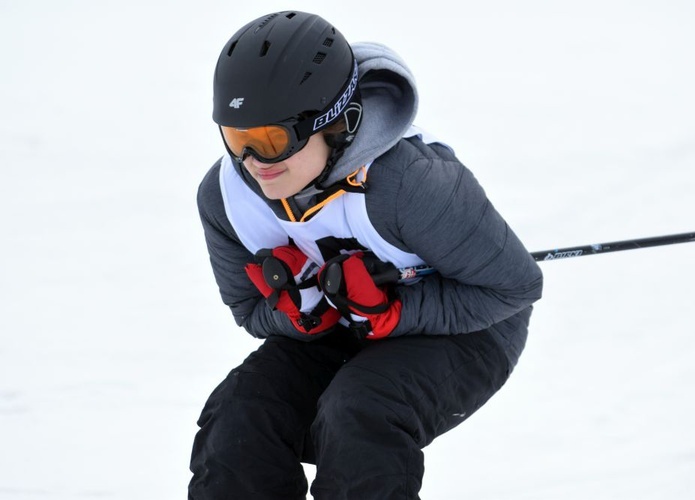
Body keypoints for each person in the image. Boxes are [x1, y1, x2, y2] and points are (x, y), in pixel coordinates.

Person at [188, 10, 543, 500]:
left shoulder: (410, 184)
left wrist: (393, 311)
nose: (253, 165)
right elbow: (249, 310)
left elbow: (515, 287)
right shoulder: (227, 200)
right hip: (341, 327)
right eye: (237, 139)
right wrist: (302, 307)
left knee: (359, 409)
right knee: (241, 413)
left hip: (467, 328)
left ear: (336, 124)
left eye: (271, 141)